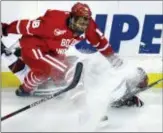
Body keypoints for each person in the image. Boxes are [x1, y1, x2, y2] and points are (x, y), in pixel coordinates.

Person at [1, 2, 147, 107]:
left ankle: (26, 89)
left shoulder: (87, 25)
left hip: (51, 51)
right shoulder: (53, 22)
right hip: (33, 48)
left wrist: (112, 58)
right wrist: (5, 29)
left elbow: (100, 42)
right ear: (71, 17)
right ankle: (82, 108)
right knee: (63, 69)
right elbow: (25, 26)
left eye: (85, 22)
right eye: (79, 21)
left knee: (69, 67)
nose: (82, 26)